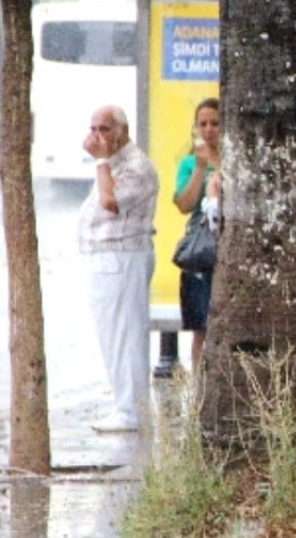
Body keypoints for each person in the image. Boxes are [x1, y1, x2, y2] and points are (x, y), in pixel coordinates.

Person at [78, 105, 160, 433]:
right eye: (93, 128)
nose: (97, 136)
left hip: (122, 258)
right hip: (106, 258)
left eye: (104, 129)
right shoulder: (114, 165)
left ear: (122, 131)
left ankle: (130, 411)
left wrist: (100, 161)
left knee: (125, 335)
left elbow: (110, 203)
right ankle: (127, 405)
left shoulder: (136, 167)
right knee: (112, 336)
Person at [173, 97, 222, 370]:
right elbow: (184, 204)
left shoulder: (235, 160)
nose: (209, 130)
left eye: (215, 123)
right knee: (201, 325)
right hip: (202, 247)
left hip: (229, 244)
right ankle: (200, 386)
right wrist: (201, 169)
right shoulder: (190, 165)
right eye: (203, 124)